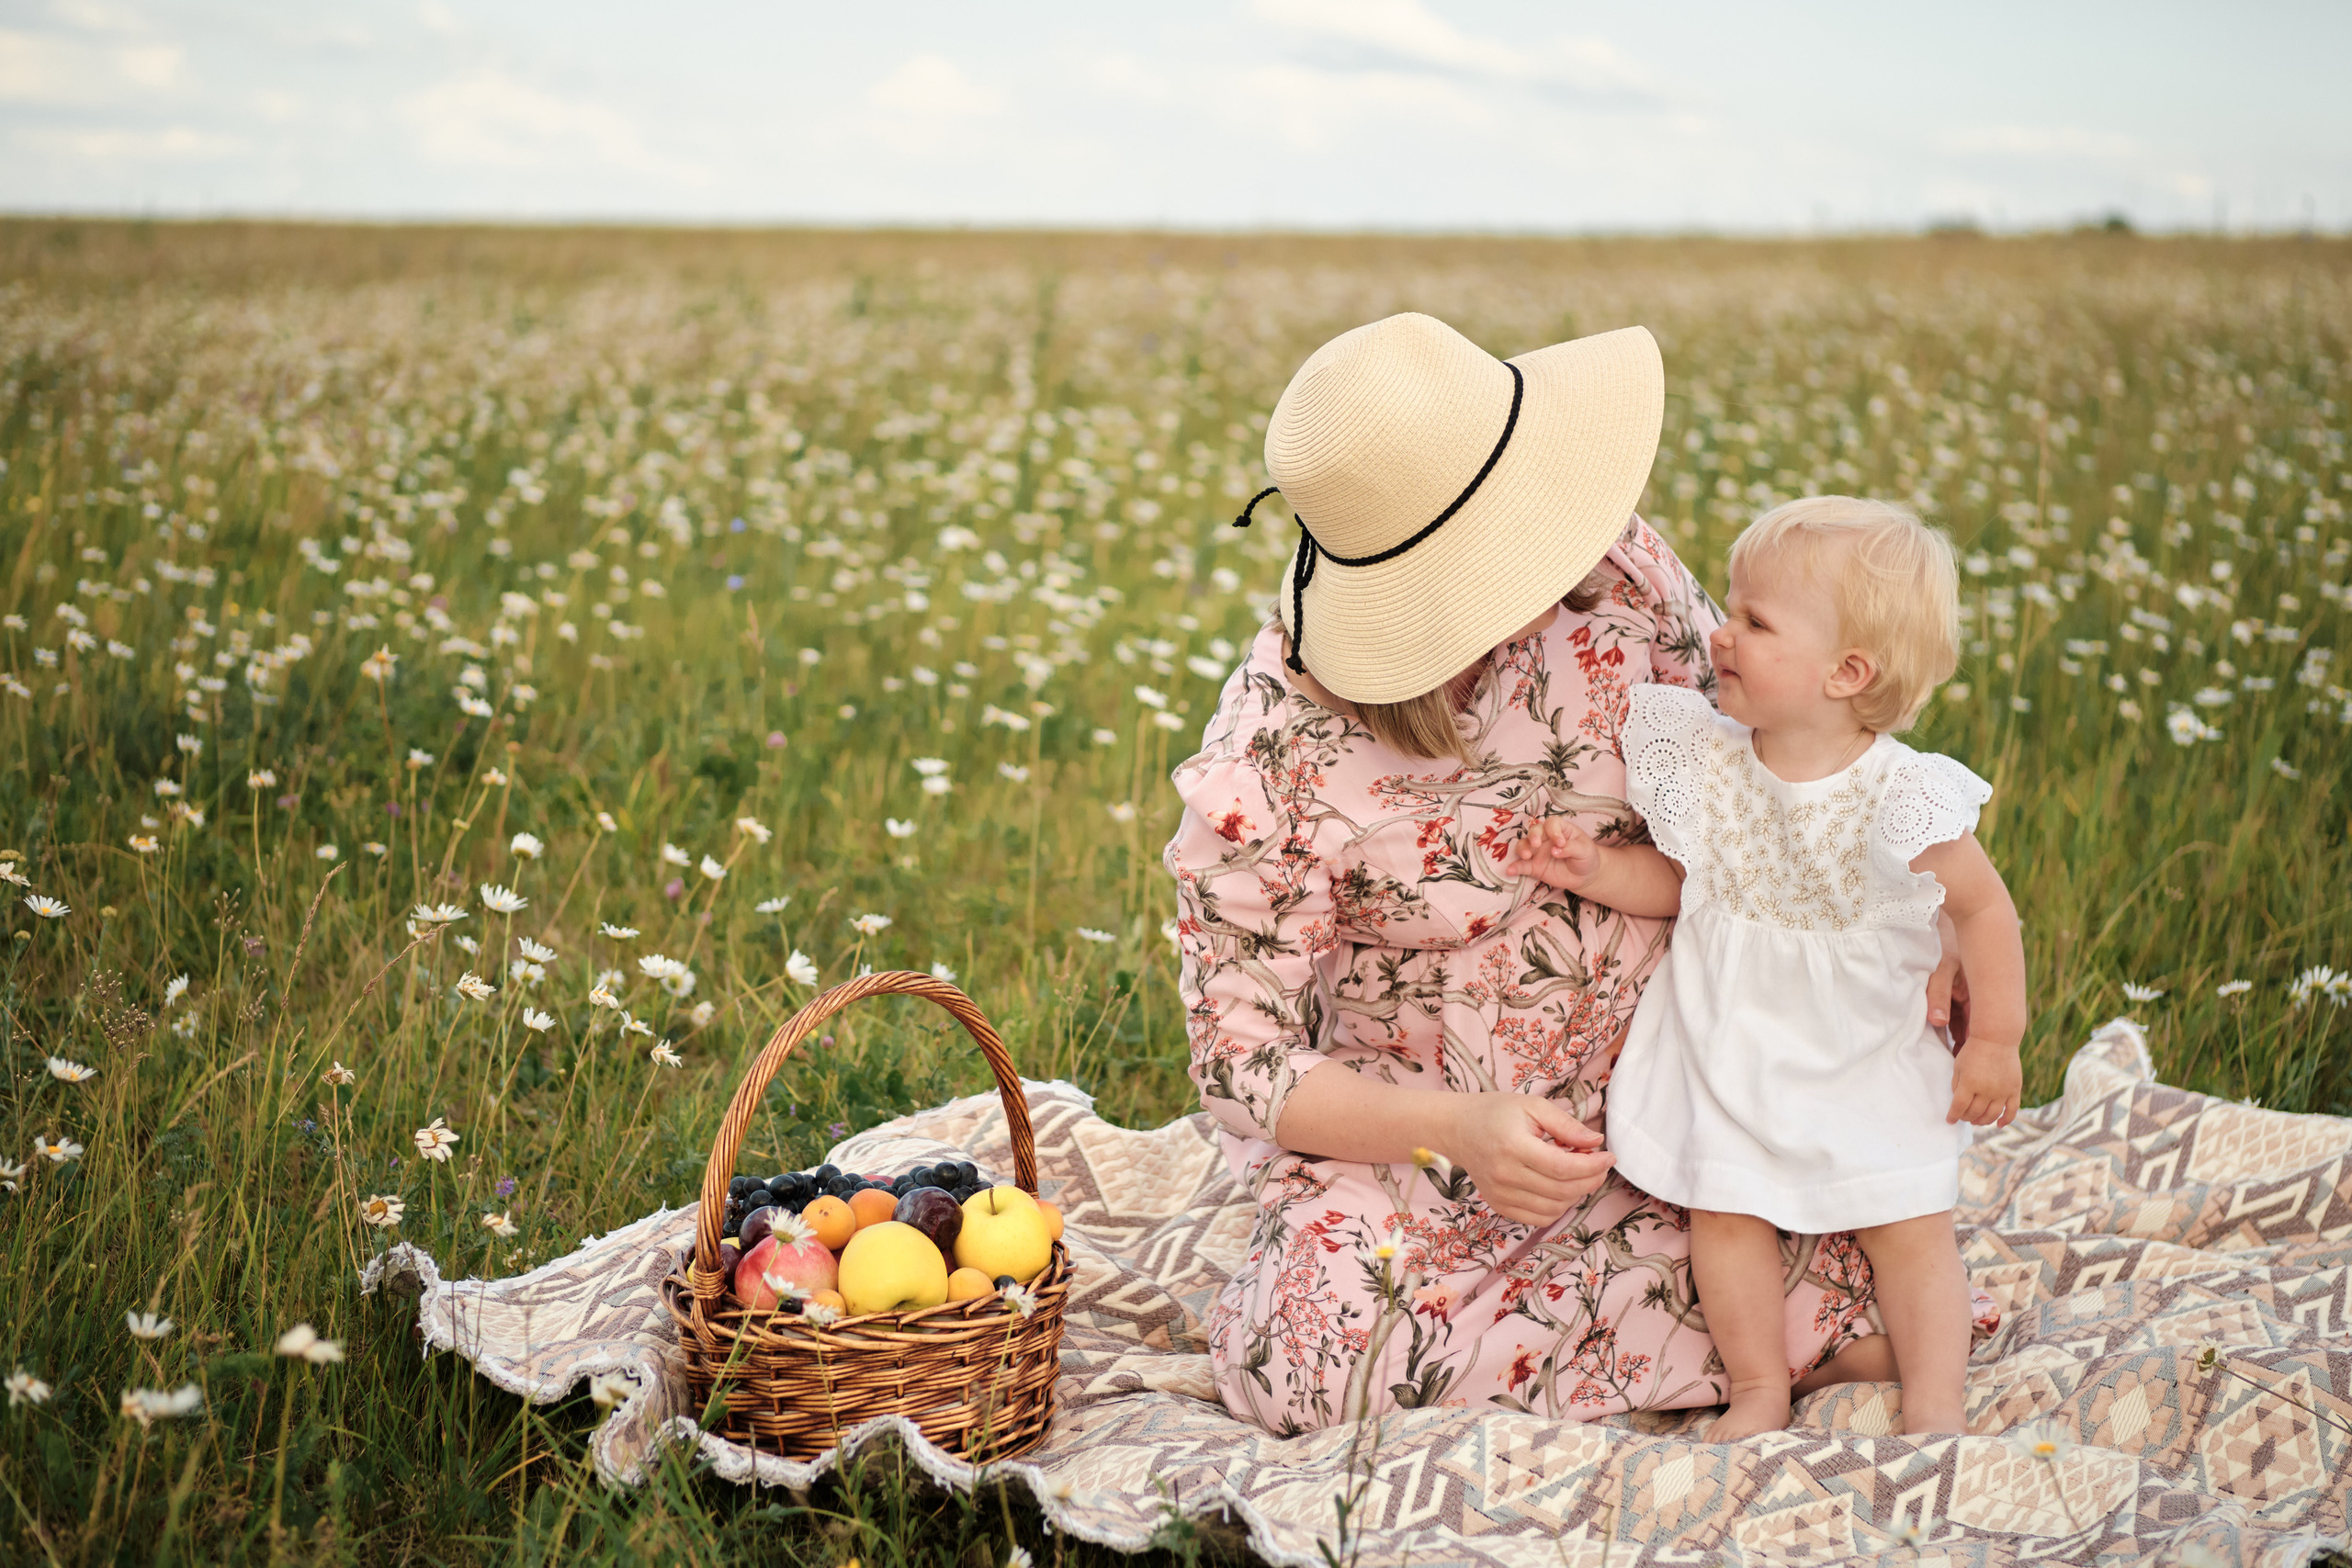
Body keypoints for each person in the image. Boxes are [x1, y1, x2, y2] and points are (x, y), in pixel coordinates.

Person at [1167, 312, 1979, 1435]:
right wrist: (1457, 1131)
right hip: (1433, 1145)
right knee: (1310, 1358)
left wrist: (1917, 915)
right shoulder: (1274, 756)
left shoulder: (1609, 567)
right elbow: (1243, 1067)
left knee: (1862, 1198)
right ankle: (1774, 1346)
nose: (1547, 573)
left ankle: (1749, 1332)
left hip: (1702, 1080)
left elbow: (1781, 755)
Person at [1504, 495, 2024, 1439]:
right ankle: (1756, 1387)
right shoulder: (1713, 764)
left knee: (1910, 1225)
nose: (1722, 636)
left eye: (1754, 622)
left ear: (1846, 672)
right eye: (1731, 610)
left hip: (1861, 1049)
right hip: (1729, 1039)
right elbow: (1686, 886)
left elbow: (1984, 911)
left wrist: (1993, 1038)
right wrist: (1593, 869)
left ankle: (1935, 1400)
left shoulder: (1899, 793)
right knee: (1724, 1212)